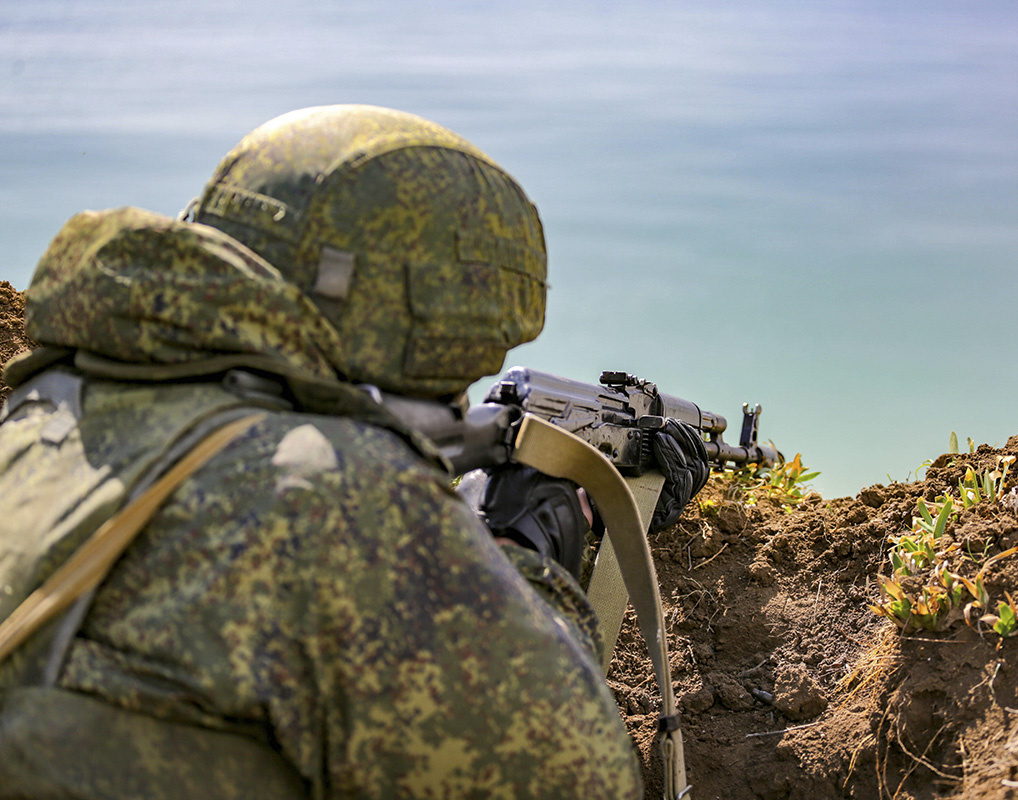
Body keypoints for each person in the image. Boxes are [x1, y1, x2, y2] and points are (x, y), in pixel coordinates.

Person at [0, 105, 706, 798]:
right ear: (423, 321)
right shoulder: (340, 499)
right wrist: (530, 542)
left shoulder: (37, 410)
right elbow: (569, 776)